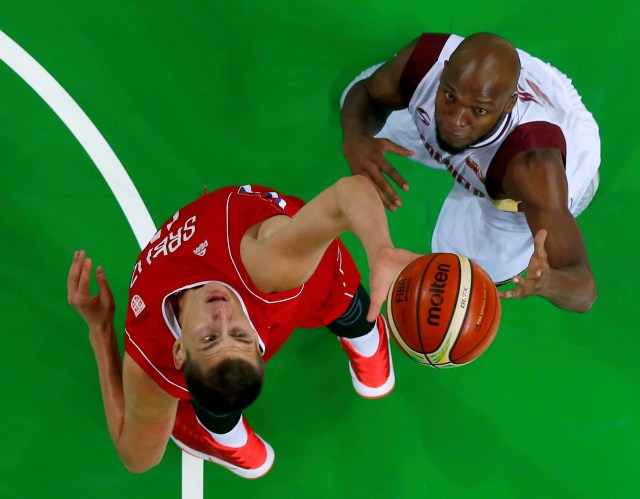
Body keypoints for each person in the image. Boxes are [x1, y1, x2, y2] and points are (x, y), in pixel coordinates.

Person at [67, 176, 419, 479]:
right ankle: (231, 438)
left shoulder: (154, 349)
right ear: (258, 341)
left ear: (179, 349)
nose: (223, 316)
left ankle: (228, 437)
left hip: (293, 278)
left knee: (346, 305)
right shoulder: (273, 267)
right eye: (237, 334)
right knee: (220, 381)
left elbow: (137, 457)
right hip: (294, 281)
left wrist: (100, 331)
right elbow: (348, 194)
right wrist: (381, 250)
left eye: (209, 338)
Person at [340, 32, 600, 312]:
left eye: (478, 110)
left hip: (545, 169)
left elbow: (584, 290)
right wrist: (355, 138)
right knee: (354, 102)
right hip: (498, 127)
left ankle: (582, 190)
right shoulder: (425, 61)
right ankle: (468, 140)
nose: (456, 119)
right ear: (444, 72)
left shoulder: (533, 170)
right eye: (449, 96)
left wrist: (547, 283)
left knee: (461, 271)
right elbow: (366, 93)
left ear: (508, 106)